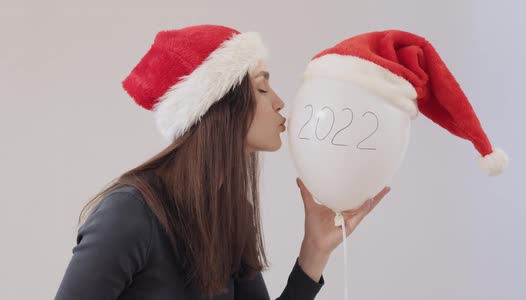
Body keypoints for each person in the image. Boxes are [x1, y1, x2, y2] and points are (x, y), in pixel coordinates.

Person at [54, 24, 390, 300]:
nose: (279, 102)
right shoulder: (129, 214)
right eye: (261, 89)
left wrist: (315, 250)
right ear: (221, 108)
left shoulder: (229, 211)